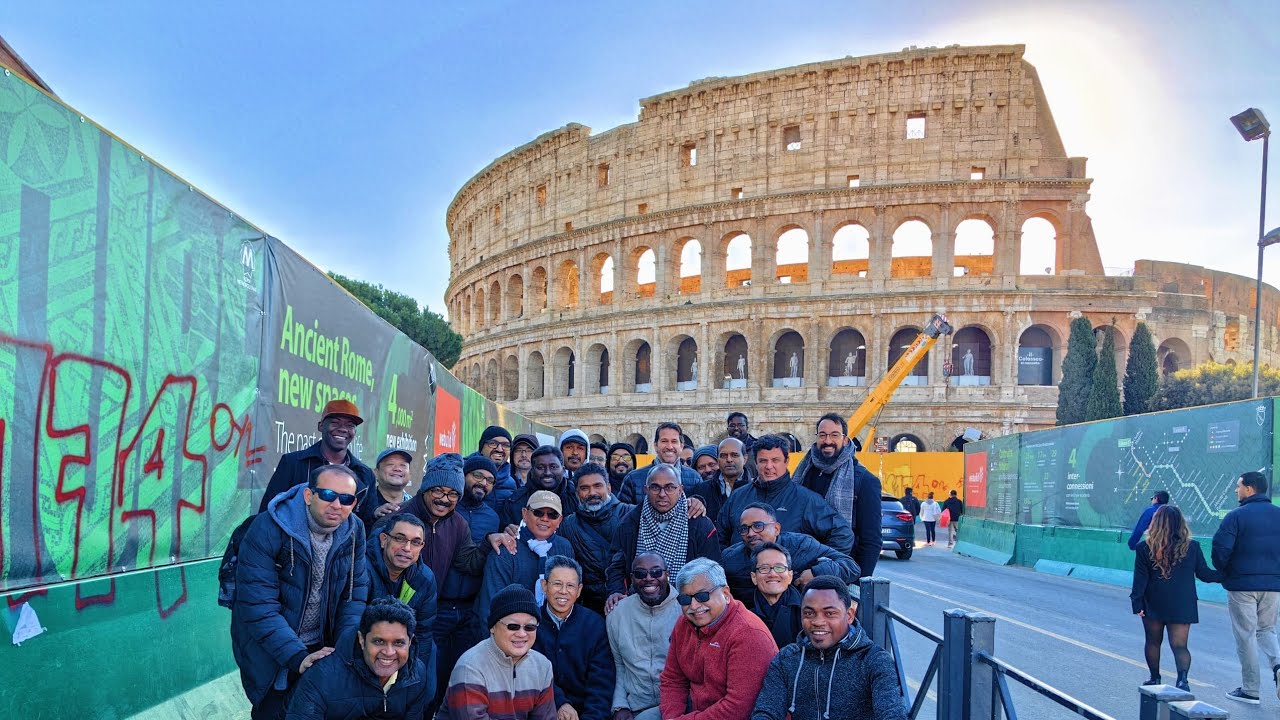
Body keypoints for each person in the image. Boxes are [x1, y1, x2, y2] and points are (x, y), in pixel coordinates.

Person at [232, 465, 370, 720]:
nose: (337, 505)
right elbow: (258, 606)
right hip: (272, 650)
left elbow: (354, 595)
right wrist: (297, 656)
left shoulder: (354, 530)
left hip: (323, 646)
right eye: (328, 495)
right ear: (309, 496)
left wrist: (343, 648)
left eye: (347, 499)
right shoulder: (268, 527)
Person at [400, 453, 509, 713]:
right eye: (438, 490)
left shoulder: (457, 522)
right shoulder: (403, 517)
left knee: (439, 681)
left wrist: (487, 544)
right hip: (403, 613)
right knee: (411, 683)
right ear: (425, 488)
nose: (444, 499)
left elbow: (466, 562)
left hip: (439, 613)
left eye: (451, 494)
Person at [751, 576, 905, 720]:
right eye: (809, 613)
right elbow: (766, 711)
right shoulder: (787, 658)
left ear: (849, 615)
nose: (818, 621)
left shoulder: (873, 660)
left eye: (830, 613)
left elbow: (892, 713)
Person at [658, 558, 778, 720]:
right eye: (685, 599)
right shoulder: (684, 623)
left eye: (702, 596)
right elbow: (673, 679)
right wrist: (672, 717)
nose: (693, 606)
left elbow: (739, 708)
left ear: (726, 594)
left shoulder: (748, 634)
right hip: (693, 711)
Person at [286, 598, 432, 719]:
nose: (389, 652)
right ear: (361, 640)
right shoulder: (322, 676)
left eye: (399, 643)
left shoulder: (417, 675)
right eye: (379, 641)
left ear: (410, 642)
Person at [605, 464, 721, 612]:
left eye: (669, 487)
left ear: (680, 490)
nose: (662, 494)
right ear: (646, 490)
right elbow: (616, 565)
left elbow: (712, 571)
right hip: (638, 607)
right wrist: (616, 591)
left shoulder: (700, 525)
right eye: (655, 487)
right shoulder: (630, 523)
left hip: (688, 608)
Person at [1131, 505, 1221, 691]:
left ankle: (1154, 678)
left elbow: (1140, 580)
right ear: (1181, 523)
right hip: (1182, 603)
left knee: (1153, 642)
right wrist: (1229, 575)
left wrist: (1137, 602)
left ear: (1155, 523)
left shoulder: (1143, 548)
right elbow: (1204, 574)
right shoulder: (1192, 547)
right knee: (1180, 646)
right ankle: (1182, 680)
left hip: (1153, 602)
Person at [717, 434, 855, 556]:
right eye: (763, 461)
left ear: (786, 461)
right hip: (741, 581)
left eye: (775, 460)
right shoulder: (737, 496)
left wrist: (818, 568)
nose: (769, 466)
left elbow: (842, 535)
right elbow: (719, 538)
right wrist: (729, 565)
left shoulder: (805, 500)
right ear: (756, 462)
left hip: (787, 580)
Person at [1212, 470, 1280, 705]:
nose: (1236, 489)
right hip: (1273, 585)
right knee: (1267, 629)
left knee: (1246, 635)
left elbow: (1221, 550)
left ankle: (1251, 689)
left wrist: (1225, 572)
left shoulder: (1236, 516)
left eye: (1238, 485)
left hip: (1242, 585)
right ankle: (1278, 665)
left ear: (1249, 489)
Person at [446, 584, 557, 719]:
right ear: (493, 627)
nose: (522, 634)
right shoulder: (469, 668)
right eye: (513, 626)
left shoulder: (543, 666)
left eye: (530, 627)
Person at [721, 503, 859, 606]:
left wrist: (817, 573)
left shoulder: (802, 546)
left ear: (776, 528)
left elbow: (851, 566)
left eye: (758, 526)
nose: (751, 534)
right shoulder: (730, 559)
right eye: (744, 529)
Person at [793, 414, 881, 575]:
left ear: (846, 440)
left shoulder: (865, 480)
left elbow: (871, 540)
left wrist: (858, 584)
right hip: (801, 569)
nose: (828, 441)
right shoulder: (804, 472)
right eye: (823, 435)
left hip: (842, 570)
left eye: (834, 435)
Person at [533, 556, 615, 720]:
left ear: (579, 590)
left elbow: (601, 683)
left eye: (570, 586)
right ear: (544, 586)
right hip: (542, 708)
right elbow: (531, 674)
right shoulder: (531, 625)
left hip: (586, 712)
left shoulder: (594, 625)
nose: (563, 591)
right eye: (557, 584)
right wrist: (559, 702)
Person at [259, 399, 375, 513]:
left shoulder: (364, 473)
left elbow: (367, 523)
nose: (343, 429)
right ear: (321, 426)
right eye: (335, 423)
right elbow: (269, 509)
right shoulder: (293, 463)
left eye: (350, 425)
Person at [478, 491, 575, 624]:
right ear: (524, 513)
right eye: (538, 512)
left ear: (559, 520)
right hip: (513, 632)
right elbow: (490, 606)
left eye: (552, 515)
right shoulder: (506, 547)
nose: (545, 518)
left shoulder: (565, 547)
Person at [607, 554, 682, 720]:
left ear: (667, 574)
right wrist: (619, 705)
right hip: (634, 707)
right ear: (632, 578)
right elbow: (619, 666)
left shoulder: (685, 609)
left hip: (678, 706)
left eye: (656, 572)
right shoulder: (617, 613)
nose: (649, 579)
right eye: (641, 574)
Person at [365, 513, 437, 671]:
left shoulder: (424, 578)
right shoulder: (361, 568)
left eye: (416, 542)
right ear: (384, 540)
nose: (407, 548)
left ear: (422, 547)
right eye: (399, 538)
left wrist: (416, 675)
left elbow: (423, 633)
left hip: (400, 652)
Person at [559, 463, 633, 613]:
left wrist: (694, 501)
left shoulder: (630, 514)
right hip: (588, 609)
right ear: (577, 493)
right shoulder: (568, 525)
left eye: (598, 486)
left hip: (628, 604)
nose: (592, 492)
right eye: (585, 488)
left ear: (609, 488)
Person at [617, 423, 701, 504]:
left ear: (681, 446)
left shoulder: (695, 479)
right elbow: (622, 514)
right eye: (664, 441)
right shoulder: (632, 479)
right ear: (655, 446)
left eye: (674, 441)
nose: (669, 447)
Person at [502, 446, 581, 528]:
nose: (547, 473)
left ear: (563, 470)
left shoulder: (577, 496)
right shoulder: (514, 501)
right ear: (532, 471)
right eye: (540, 467)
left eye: (553, 467)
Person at [749, 542, 804, 649]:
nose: (772, 574)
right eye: (764, 568)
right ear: (754, 577)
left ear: (790, 576)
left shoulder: (806, 611)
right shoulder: (745, 616)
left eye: (779, 568)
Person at [690, 437, 749, 527]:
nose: (729, 459)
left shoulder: (756, 489)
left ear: (745, 459)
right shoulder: (701, 490)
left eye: (734, 455)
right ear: (718, 460)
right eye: (723, 456)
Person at [356, 447, 414, 530]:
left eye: (403, 465)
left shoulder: (414, 504)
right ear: (376, 472)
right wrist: (373, 516)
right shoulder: (363, 502)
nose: (397, 469)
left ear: (410, 474)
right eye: (390, 464)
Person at [479, 426, 519, 511]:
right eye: (493, 443)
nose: (500, 449)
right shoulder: (464, 473)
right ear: (482, 448)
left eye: (506, 445)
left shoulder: (511, 483)